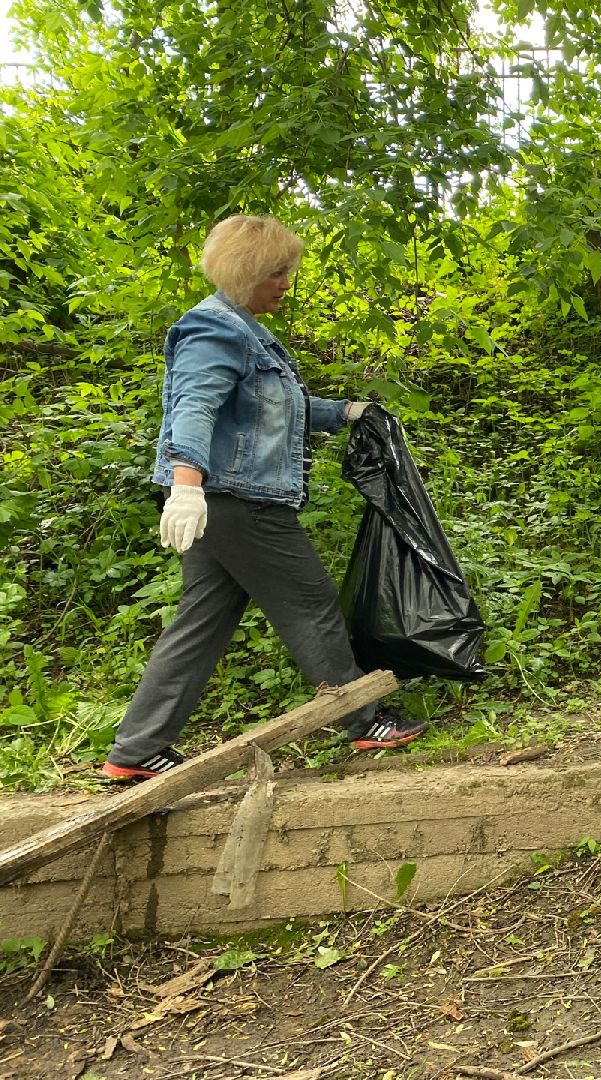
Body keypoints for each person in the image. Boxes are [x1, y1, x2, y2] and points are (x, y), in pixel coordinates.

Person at [102, 215, 425, 781]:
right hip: (235, 500)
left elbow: (274, 410)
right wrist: (185, 485)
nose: (286, 283)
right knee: (312, 602)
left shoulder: (246, 332)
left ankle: (136, 750)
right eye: (277, 272)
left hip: (224, 501)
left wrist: (349, 412)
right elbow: (194, 408)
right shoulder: (216, 330)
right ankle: (363, 719)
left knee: (201, 622)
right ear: (248, 270)